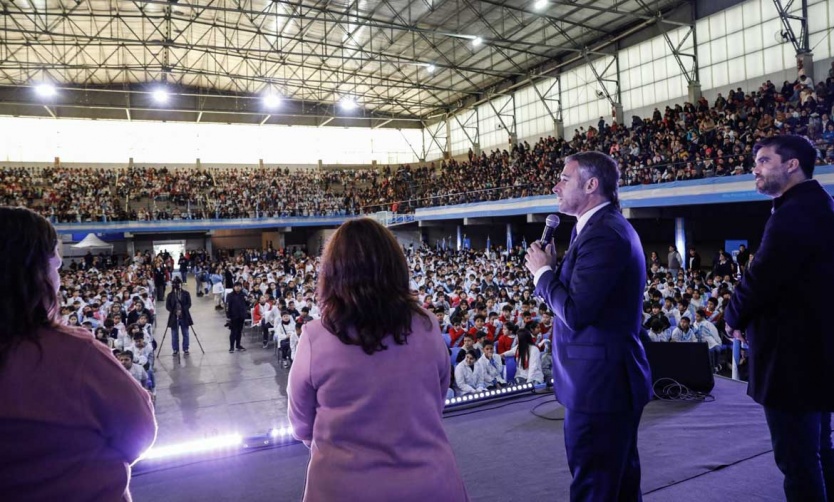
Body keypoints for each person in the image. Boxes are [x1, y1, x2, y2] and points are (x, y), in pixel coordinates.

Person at [287, 218, 469, 502]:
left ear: (333, 273)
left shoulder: (314, 336)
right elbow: (438, 397)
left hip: (342, 488)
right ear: (396, 268)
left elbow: (301, 424)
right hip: (429, 483)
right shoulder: (428, 325)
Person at [0, 206, 156, 500]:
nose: (59, 271)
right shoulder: (72, 355)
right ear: (32, 272)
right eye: (54, 263)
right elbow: (139, 433)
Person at [525, 151, 652, 501]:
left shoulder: (604, 234)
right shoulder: (597, 228)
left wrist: (542, 273)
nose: (556, 187)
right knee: (619, 483)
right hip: (605, 379)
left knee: (594, 487)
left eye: (564, 180)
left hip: (600, 383)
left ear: (592, 185)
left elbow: (577, 312)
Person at [724, 135, 834, 501]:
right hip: (813, 351)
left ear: (792, 165)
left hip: (794, 357)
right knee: (818, 450)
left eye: (764, 160)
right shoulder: (812, 205)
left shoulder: (796, 212)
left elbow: (762, 277)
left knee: (797, 459)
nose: (755, 168)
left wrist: (733, 314)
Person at [165, 276, 193, 356]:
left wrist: (182, 310)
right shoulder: (170, 295)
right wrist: (174, 311)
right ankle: (175, 349)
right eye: (175, 284)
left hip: (184, 316)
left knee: (186, 334)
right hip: (174, 317)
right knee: (174, 335)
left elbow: (189, 304)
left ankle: (186, 348)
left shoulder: (186, 293)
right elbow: (168, 306)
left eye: (179, 283)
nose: (177, 285)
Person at [226, 282, 248, 353]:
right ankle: (231, 347)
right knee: (233, 332)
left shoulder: (243, 294)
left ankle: (238, 345)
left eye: (239, 286)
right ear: (234, 287)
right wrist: (228, 316)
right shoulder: (230, 295)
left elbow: (247, 304)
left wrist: (247, 299)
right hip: (233, 316)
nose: (238, 287)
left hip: (241, 316)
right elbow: (227, 306)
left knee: (239, 331)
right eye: (236, 286)